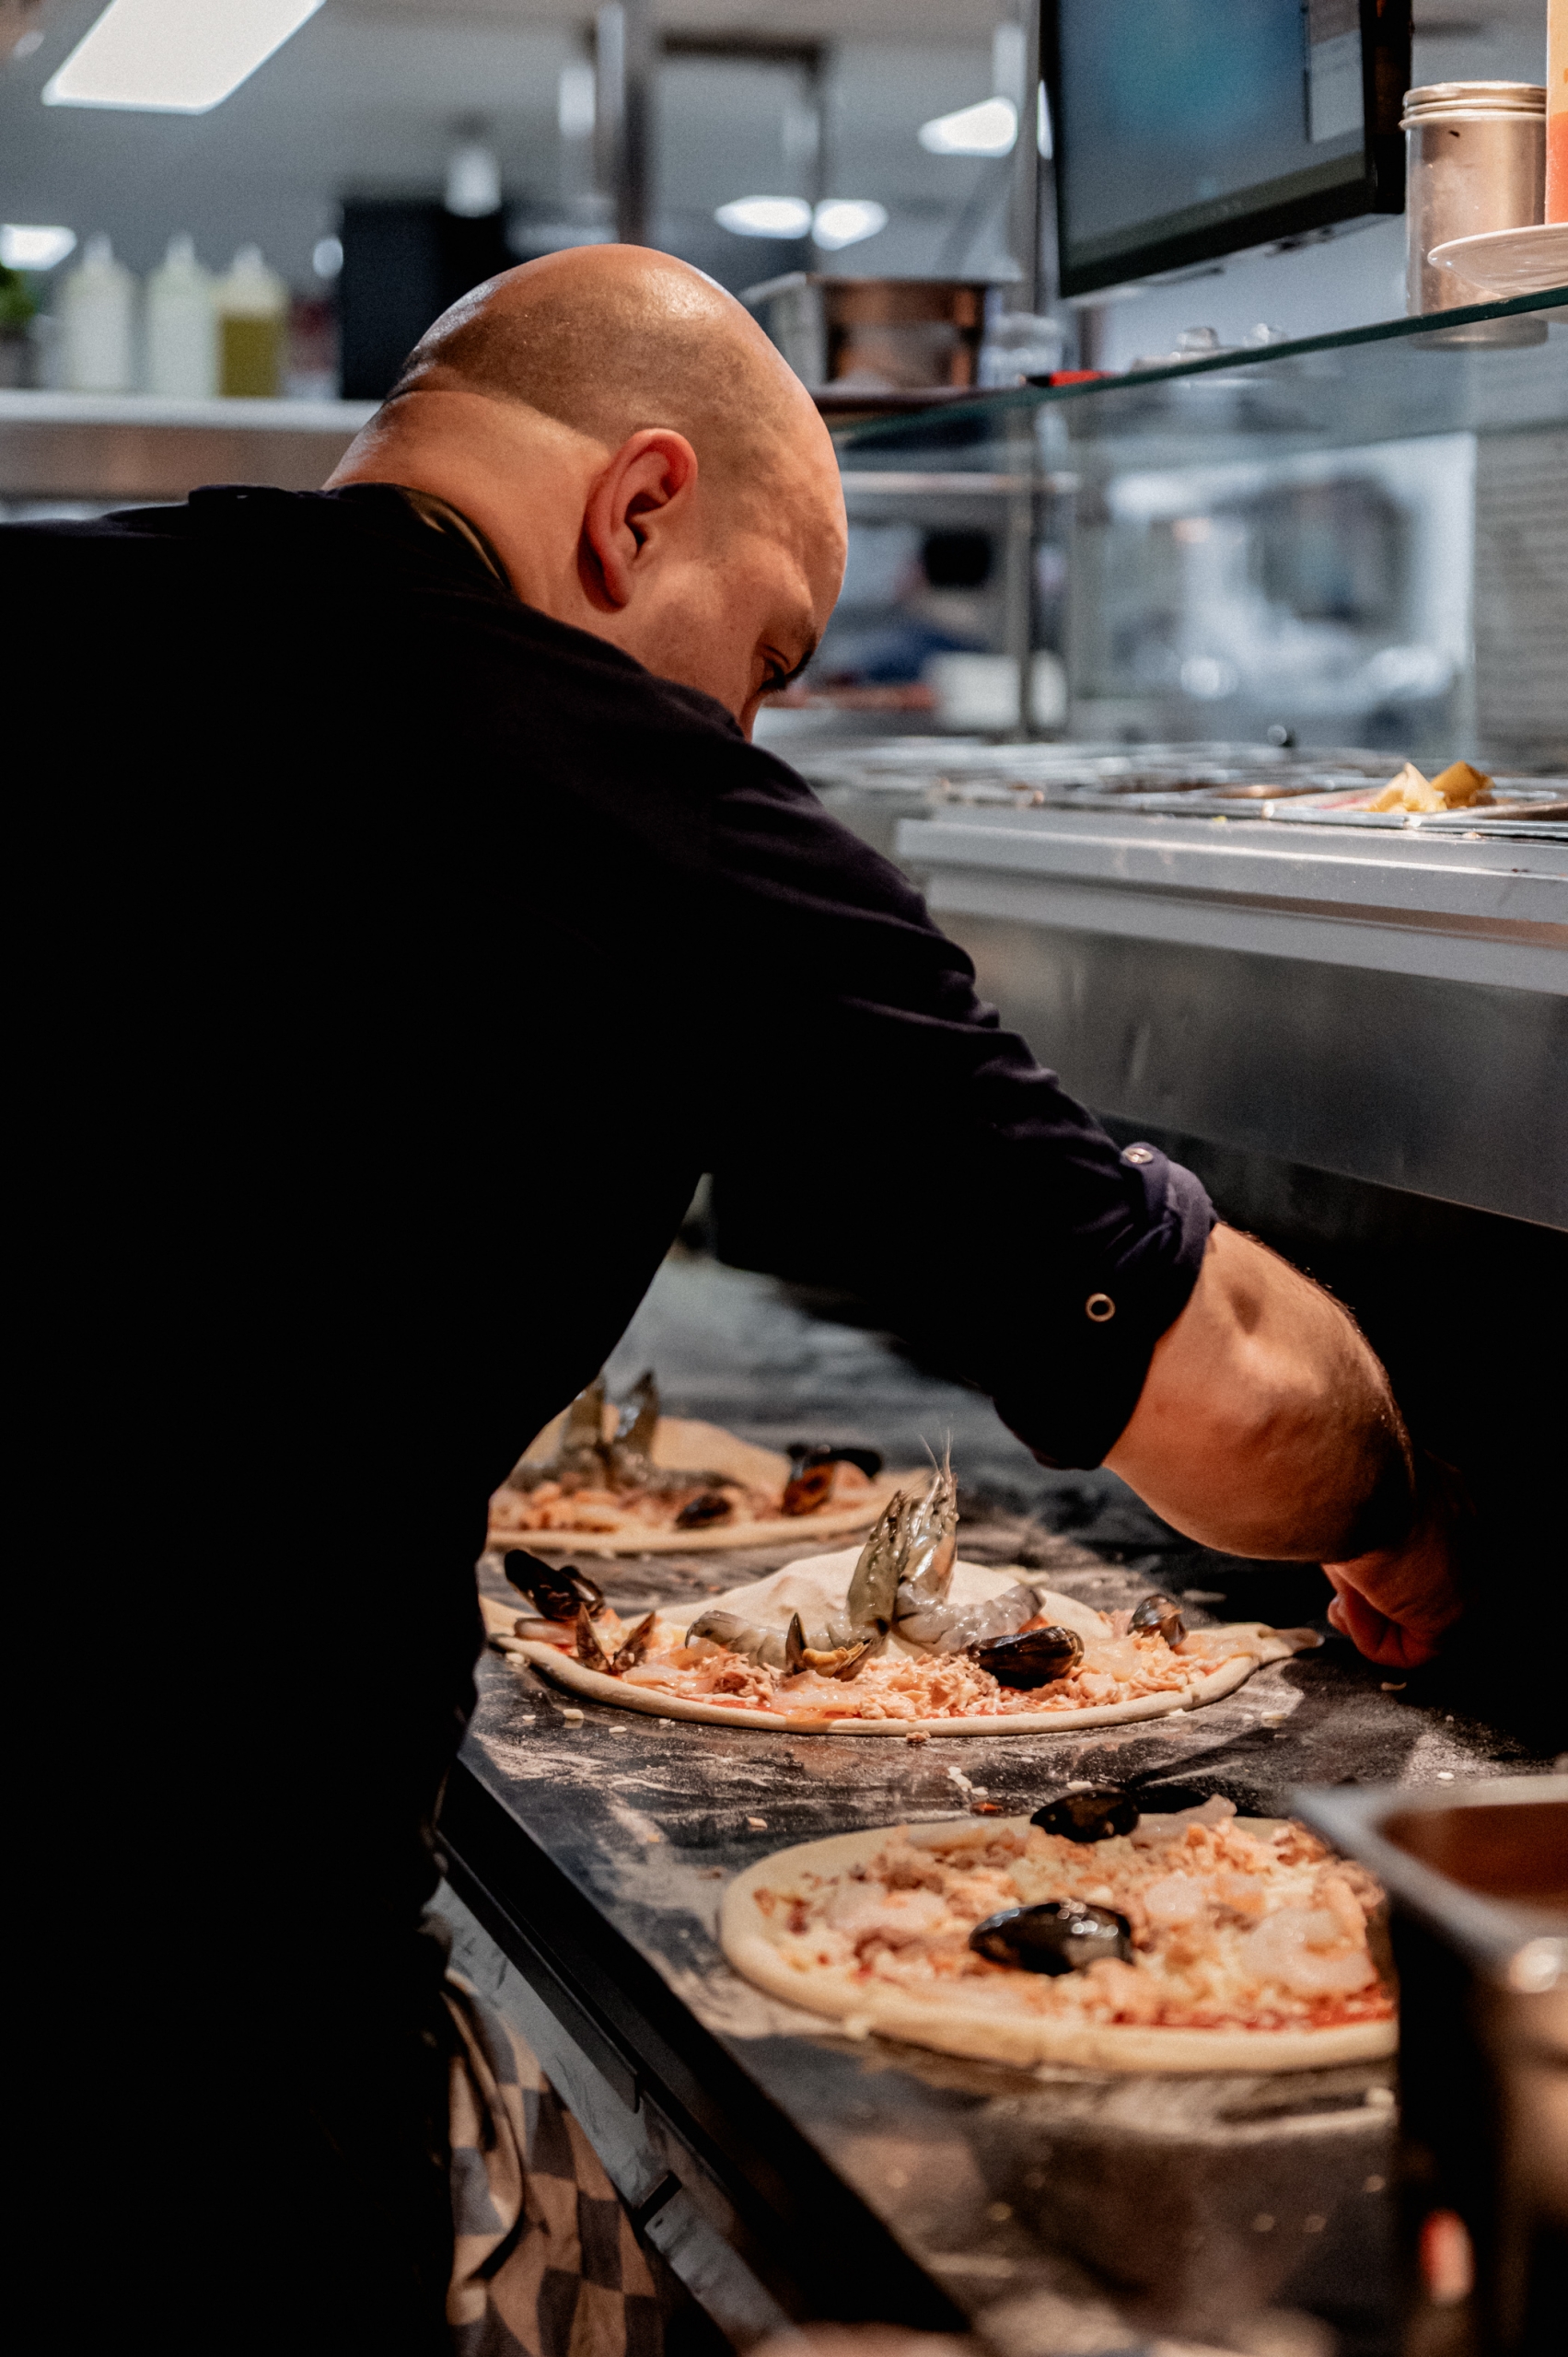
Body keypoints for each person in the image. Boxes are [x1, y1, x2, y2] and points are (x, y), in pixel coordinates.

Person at [7, 247, 1459, 2355]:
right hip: (178, 2042)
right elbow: (1228, 1395)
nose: (753, 721)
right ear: (639, 508)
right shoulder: (641, 804)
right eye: (768, 654)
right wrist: (1403, 1509)